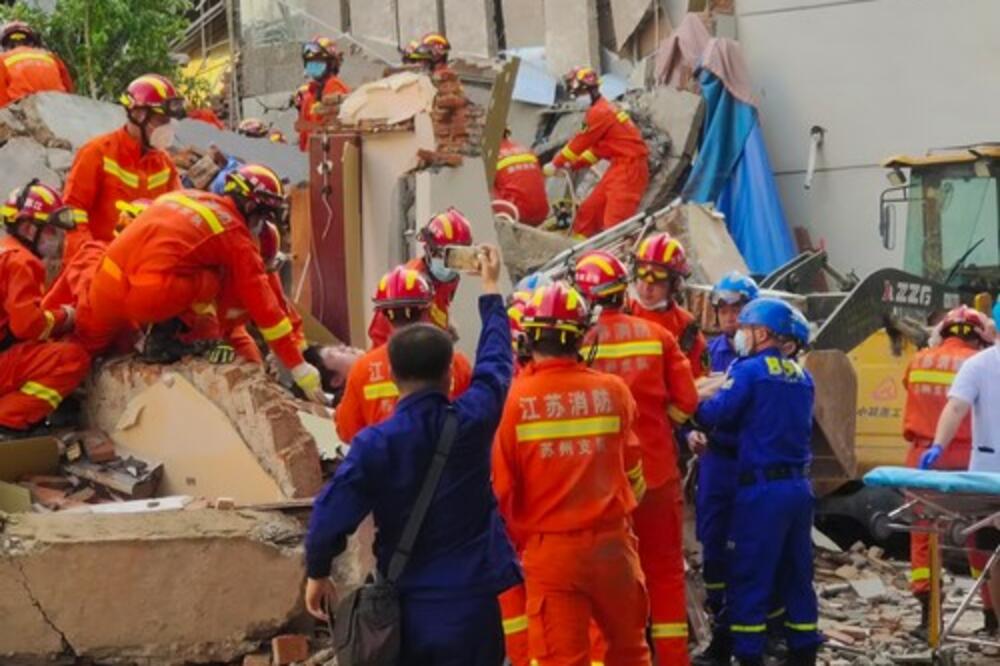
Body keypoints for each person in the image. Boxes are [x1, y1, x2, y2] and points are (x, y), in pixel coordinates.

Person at [304, 245, 520, 665]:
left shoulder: (375, 444)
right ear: (448, 374)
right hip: (474, 602)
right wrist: (491, 290)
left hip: (408, 605)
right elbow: (497, 364)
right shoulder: (472, 421)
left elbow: (330, 513)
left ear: (396, 376)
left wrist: (318, 571)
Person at [493, 281, 652, 666]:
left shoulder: (513, 402)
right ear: (581, 336)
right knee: (629, 652)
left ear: (528, 337)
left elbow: (502, 490)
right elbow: (633, 469)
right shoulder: (613, 392)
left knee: (561, 660)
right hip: (613, 547)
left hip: (552, 553)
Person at [74, 163, 326, 402]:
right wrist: (299, 367)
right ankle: (163, 341)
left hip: (104, 283)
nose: (259, 226)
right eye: (262, 216)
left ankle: (77, 394)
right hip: (147, 299)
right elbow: (266, 309)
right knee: (209, 280)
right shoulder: (235, 238)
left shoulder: (187, 198)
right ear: (251, 207)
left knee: (86, 351)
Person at [572, 250, 697, 663]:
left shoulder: (577, 344)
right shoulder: (657, 335)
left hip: (599, 482)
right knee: (664, 573)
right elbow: (687, 400)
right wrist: (661, 424)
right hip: (657, 474)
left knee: (602, 579)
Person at [693, 297, 821, 666]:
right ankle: (804, 651)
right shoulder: (803, 377)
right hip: (799, 489)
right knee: (796, 575)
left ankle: (747, 654)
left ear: (762, 332)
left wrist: (690, 398)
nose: (739, 335)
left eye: (746, 328)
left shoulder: (749, 371)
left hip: (762, 490)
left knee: (748, 572)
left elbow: (718, 414)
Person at [903, 306, 996, 636]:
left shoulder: (920, 360)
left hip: (926, 456)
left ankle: (929, 619)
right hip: (972, 459)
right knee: (982, 539)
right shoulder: (978, 361)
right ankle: (990, 615)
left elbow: (915, 396)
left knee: (925, 535)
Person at [690, 271, 760, 665]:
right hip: (714, 461)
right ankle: (722, 632)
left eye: (738, 309)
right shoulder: (707, 351)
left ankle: (757, 636)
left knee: (751, 553)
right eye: (724, 308)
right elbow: (683, 397)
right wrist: (689, 435)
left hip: (750, 463)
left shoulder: (763, 355)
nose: (730, 316)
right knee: (714, 548)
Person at [335, 265, 473, 443]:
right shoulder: (456, 363)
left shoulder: (363, 369)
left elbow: (348, 432)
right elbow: (475, 419)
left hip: (385, 467)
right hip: (446, 465)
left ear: (384, 315)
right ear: (427, 310)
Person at [0, 181, 90, 439]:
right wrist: (66, 317)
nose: (59, 239)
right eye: (51, 231)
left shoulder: (4, 252)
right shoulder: (21, 262)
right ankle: (8, 421)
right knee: (71, 358)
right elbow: (28, 326)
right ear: (28, 228)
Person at [62, 74, 184, 262]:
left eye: (169, 122)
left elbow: (177, 218)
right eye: (161, 121)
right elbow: (73, 213)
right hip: (97, 262)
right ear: (138, 115)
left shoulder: (164, 164)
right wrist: (90, 259)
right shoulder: (97, 153)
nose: (166, 128)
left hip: (142, 265)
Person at [543, 66, 649, 238]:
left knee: (615, 224)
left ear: (585, 91)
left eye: (576, 94)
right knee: (588, 213)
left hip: (630, 170)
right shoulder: (604, 108)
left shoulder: (599, 113)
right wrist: (573, 165)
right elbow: (598, 150)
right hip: (619, 166)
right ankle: (578, 254)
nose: (575, 98)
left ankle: (618, 260)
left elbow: (579, 143)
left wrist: (556, 164)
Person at [368, 208, 474, 348]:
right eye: (447, 255)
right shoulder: (406, 286)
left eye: (461, 257)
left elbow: (437, 306)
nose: (453, 265)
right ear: (430, 250)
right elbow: (381, 342)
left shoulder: (444, 280)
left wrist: (443, 326)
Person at [630, 232, 709, 377]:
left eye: (657, 281)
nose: (647, 287)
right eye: (642, 277)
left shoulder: (687, 327)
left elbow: (699, 379)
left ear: (675, 284)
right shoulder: (622, 313)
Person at [0, 20, 73, 107]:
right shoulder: (51, 57)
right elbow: (68, 88)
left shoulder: (3, 60)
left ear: (6, 44)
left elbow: (1, 97)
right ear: (32, 43)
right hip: (59, 105)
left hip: (23, 108)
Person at [296, 37, 350, 152]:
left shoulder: (335, 88)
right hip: (311, 159)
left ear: (331, 63)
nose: (313, 65)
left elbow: (336, 132)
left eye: (318, 61)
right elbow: (303, 140)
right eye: (310, 61)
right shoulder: (309, 96)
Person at [493, 128, 549, 226]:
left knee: (478, 182)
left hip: (515, 215)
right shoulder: (525, 149)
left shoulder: (488, 155)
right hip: (542, 214)